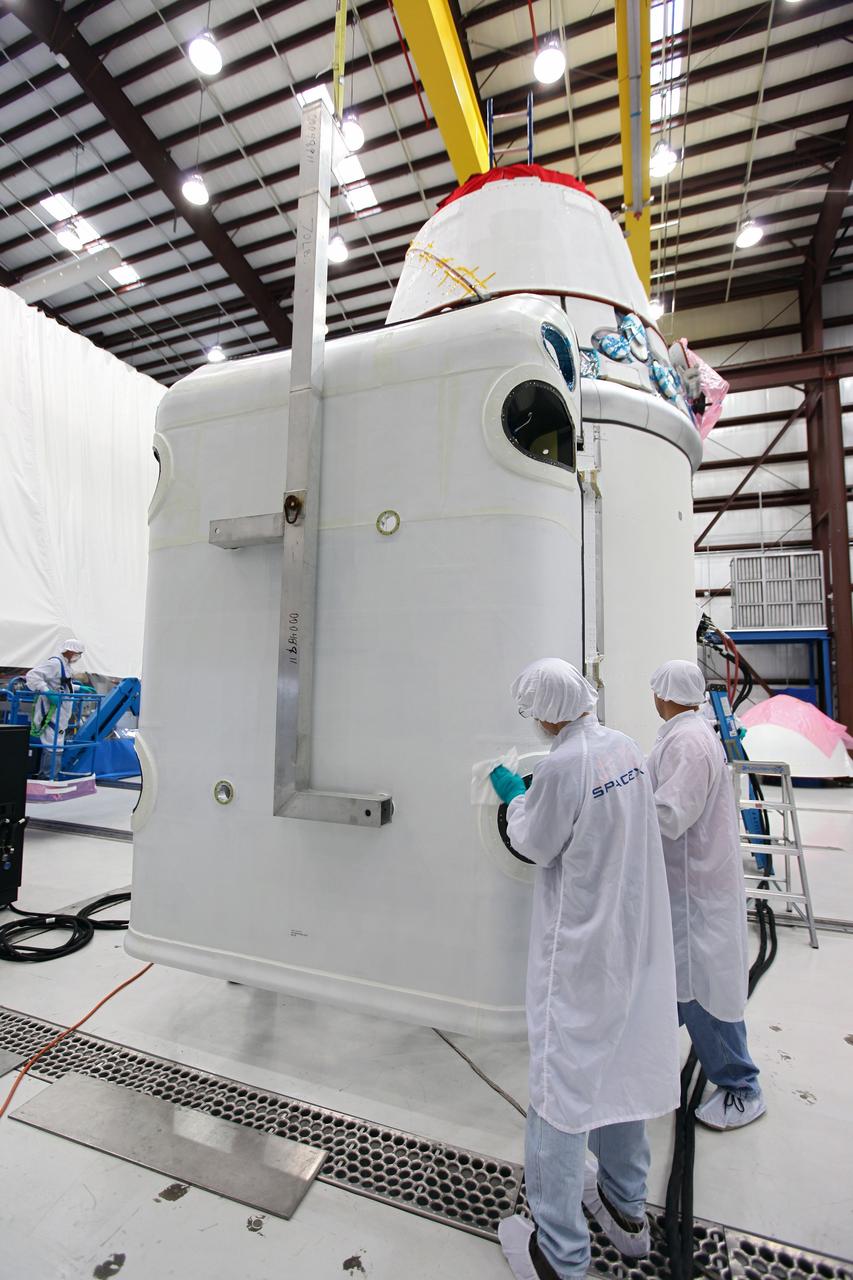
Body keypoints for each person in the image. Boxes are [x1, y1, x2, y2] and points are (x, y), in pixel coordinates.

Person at [490, 658, 679, 1280]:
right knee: (621, 1076)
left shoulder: (564, 765)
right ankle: (627, 1216)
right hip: (634, 946)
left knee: (559, 1094)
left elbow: (536, 843)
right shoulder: (623, 745)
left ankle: (556, 1251)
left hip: (579, 956)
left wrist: (516, 800)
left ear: (547, 709)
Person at [648, 659, 765, 1131]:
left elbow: (672, 815)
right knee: (679, 986)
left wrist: (617, 811)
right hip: (689, 886)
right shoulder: (685, 736)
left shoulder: (690, 743)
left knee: (704, 991)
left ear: (664, 694)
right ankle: (649, 1066)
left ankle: (742, 1086)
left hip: (697, 891)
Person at [25, 638, 84, 779]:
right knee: (53, 744)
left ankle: (51, 776)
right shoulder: (55, 663)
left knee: (56, 743)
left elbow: (61, 683)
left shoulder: (65, 666)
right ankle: (47, 777)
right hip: (50, 711)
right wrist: (47, 692)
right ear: (69, 651)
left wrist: (78, 688)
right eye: (77, 653)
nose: (78, 656)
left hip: (61, 713)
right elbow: (32, 676)